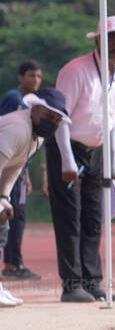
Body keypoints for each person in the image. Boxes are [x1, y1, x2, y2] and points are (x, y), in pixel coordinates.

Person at [45, 15, 115, 303]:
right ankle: (72, 284)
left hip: (96, 151)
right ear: (98, 40)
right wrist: (68, 162)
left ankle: (91, 279)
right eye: (112, 38)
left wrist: (112, 160)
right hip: (67, 147)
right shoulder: (75, 70)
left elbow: (112, 119)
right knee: (69, 217)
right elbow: (60, 118)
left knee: (93, 217)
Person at [0, 88, 69, 306]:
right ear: (36, 109)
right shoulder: (17, 128)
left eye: (57, 119)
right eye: (49, 116)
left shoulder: (36, 137)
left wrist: (3, 196)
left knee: (2, 228)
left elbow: (15, 167)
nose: (53, 122)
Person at [0, 60, 43, 281]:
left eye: (38, 76)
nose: (35, 80)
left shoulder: (37, 106)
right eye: (31, 76)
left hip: (17, 167)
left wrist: (24, 171)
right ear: (20, 77)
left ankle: (14, 262)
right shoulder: (13, 100)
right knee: (12, 215)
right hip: (5, 165)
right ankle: (12, 264)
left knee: (17, 216)